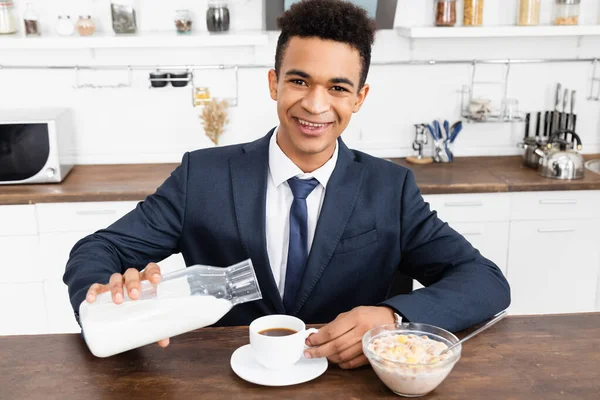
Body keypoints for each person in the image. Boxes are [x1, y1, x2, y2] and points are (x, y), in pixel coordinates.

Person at [64, 0, 510, 370]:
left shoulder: (390, 189)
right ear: (275, 83)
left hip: (349, 385)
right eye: (299, 81)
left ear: (359, 98)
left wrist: (394, 315)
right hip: (226, 382)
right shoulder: (204, 176)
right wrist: (103, 296)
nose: (315, 105)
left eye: (338, 88)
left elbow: (485, 281)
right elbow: (96, 251)